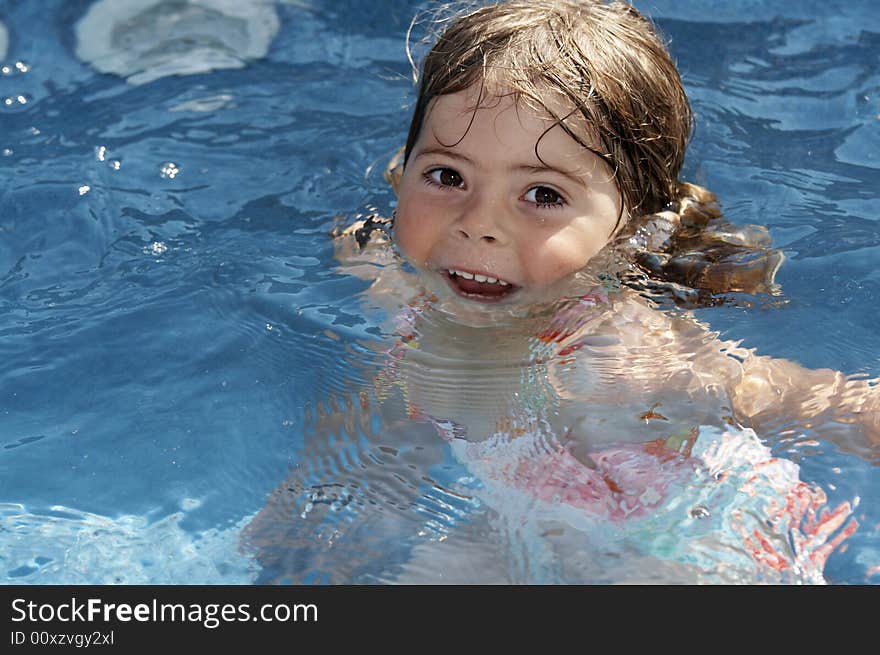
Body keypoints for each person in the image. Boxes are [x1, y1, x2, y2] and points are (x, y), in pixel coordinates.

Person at [242, 0, 877, 583]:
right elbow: (389, 407)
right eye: (446, 175)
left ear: (627, 223)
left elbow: (811, 400)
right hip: (526, 519)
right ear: (402, 170)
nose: (478, 225)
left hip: (688, 536)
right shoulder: (398, 290)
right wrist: (321, 496)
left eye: (542, 195)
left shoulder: (619, 349)